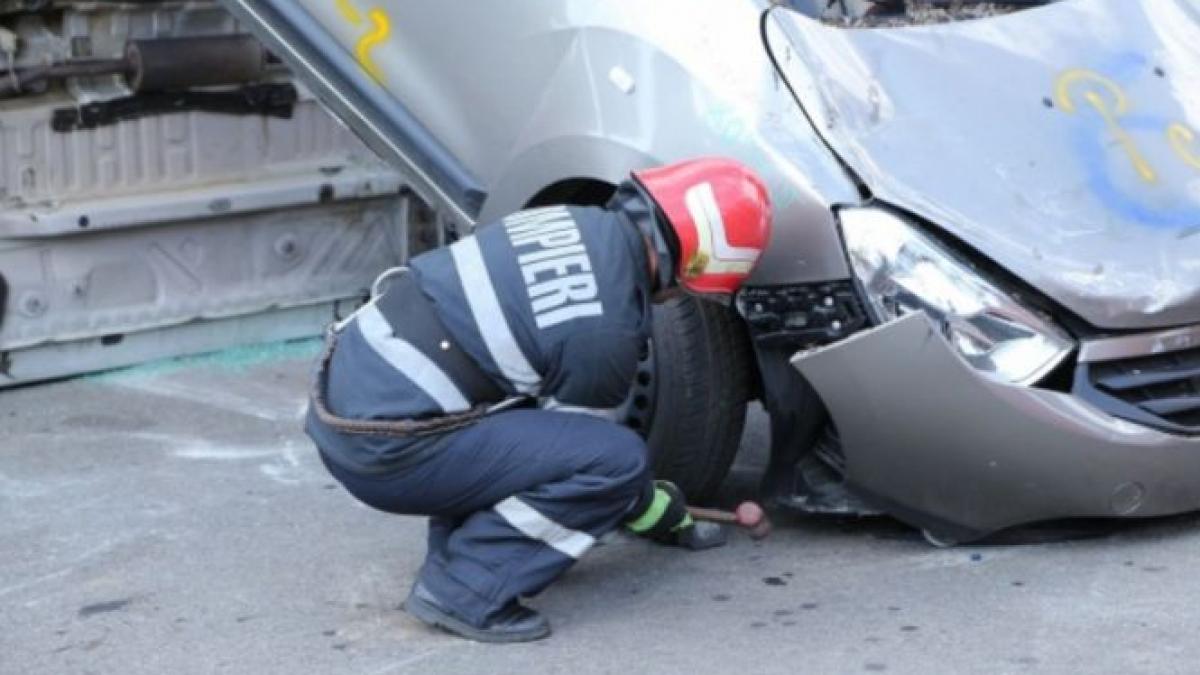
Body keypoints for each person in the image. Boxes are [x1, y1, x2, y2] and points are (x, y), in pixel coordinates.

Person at [304, 157, 772, 643]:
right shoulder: (607, 330)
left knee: (520, 418)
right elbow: (591, 461)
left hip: (347, 397)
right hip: (384, 450)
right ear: (693, 262)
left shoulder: (571, 220)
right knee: (616, 461)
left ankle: (464, 550)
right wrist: (659, 509)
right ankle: (464, 589)